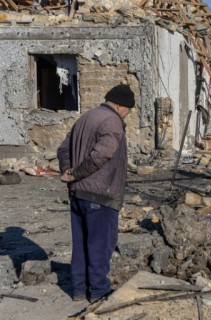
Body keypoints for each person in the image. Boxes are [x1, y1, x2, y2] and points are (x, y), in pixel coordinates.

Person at [57, 84, 135, 303]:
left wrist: (67, 170)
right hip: (100, 193)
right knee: (101, 244)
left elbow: (63, 149)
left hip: (79, 194)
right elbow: (103, 154)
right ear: (121, 106)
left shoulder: (86, 117)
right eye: (128, 110)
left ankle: (79, 289)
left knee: (81, 243)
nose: (127, 115)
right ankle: (99, 292)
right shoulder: (112, 122)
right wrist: (76, 174)